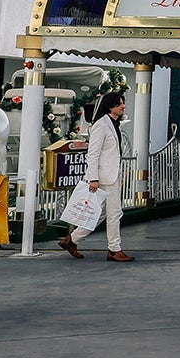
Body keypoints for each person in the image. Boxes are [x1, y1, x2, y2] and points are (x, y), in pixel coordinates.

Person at [56, 92, 132, 262]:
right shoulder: (101, 125)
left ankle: (72, 240)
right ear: (111, 106)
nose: (123, 106)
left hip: (110, 175)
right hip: (104, 176)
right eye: (120, 103)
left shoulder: (113, 124)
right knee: (115, 213)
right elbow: (93, 154)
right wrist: (93, 179)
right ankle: (114, 249)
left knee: (102, 213)